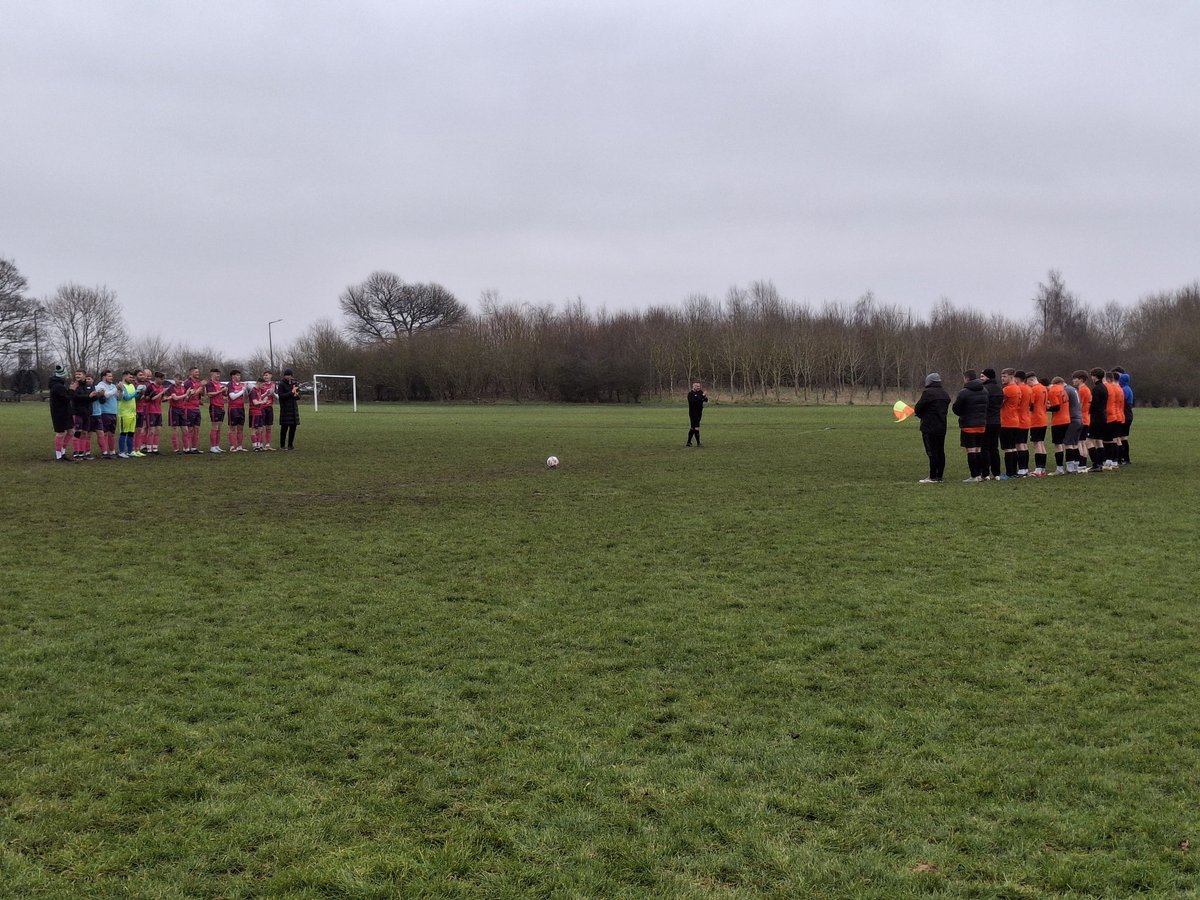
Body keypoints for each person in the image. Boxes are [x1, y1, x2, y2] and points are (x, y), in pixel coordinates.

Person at [951, 370, 989, 482]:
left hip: (968, 424)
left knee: (971, 450)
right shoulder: (985, 390)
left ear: (967, 379)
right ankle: (982, 474)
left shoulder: (964, 392)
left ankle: (974, 475)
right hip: (981, 424)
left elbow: (956, 408)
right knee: (978, 449)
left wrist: (962, 414)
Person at [913, 373, 950, 483]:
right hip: (942, 426)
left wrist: (920, 415)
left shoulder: (928, 393)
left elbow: (919, 407)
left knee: (931, 452)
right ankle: (939, 476)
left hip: (929, 427)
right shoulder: (945, 394)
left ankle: (932, 476)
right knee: (940, 451)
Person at [999, 368, 1023, 479]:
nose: (1002, 379)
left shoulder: (1007, 389)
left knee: (1008, 448)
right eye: (1002, 376)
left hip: (1007, 421)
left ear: (1011, 377)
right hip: (1015, 420)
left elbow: (999, 403)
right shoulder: (1018, 388)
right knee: (1013, 447)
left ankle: (1009, 473)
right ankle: (1014, 472)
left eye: (1005, 376)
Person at [980, 368, 1004, 479]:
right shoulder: (1000, 389)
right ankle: (997, 473)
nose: (981, 379)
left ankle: (985, 473)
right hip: (997, 421)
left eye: (982, 376)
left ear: (988, 377)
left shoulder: (984, 389)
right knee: (994, 448)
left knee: (984, 448)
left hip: (986, 421)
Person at [49, 364, 74, 462]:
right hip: (59, 413)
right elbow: (66, 398)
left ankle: (63, 452)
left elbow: (64, 396)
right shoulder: (57, 386)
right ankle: (58, 455)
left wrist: (69, 390)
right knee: (60, 433)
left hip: (66, 411)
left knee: (71, 431)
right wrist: (71, 390)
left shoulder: (59, 385)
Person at [1025, 372, 1049, 476]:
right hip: (1043, 417)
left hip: (1036, 419)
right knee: (1041, 444)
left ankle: (1038, 469)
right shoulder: (1044, 388)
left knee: (1037, 444)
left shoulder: (1034, 389)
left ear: (1030, 380)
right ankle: (1042, 468)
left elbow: (1031, 405)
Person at [94, 369, 120, 459]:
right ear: (104, 377)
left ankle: (112, 451)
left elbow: (119, 397)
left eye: (111, 376)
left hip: (114, 412)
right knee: (104, 433)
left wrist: (121, 390)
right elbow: (106, 395)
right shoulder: (100, 385)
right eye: (109, 376)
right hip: (104, 412)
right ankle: (104, 452)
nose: (111, 378)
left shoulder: (113, 386)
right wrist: (116, 388)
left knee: (112, 433)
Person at [1086, 368, 1109, 472]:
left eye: (1092, 375)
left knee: (1089, 441)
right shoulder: (1104, 387)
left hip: (1096, 417)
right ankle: (1101, 462)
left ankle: (1095, 464)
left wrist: (1089, 409)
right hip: (1103, 416)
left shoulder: (1096, 389)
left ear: (1095, 376)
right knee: (1099, 441)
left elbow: (1094, 404)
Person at [116, 370, 142, 458]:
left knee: (131, 433)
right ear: (124, 376)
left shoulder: (131, 385)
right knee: (123, 433)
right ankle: (122, 452)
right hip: (124, 413)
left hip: (132, 413)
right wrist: (136, 391)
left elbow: (134, 398)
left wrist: (140, 393)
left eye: (132, 377)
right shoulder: (121, 386)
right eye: (130, 377)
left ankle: (130, 451)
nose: (132, 379)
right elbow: (126, 397)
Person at [70, 371, 96, 460]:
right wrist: (89, 396)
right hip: (78, 413)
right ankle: (75, 453)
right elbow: (75, 397)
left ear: (84, 376)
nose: (77, 376)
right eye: (76, 374)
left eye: (79, 374)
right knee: (78, 432)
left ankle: (82, 453)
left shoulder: (89, 386)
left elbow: (92, 399)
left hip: (87, 413)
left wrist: (96, 395)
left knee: (85, 433)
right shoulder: (74, 385)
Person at [204, 368, 228, 453]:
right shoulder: (210, 384)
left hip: (221, 407)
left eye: (219, 374)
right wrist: (220, 391)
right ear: (212, 375)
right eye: (216, 374)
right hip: (214, 406)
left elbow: (224, 395)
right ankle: (212, 446)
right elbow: (210, 394)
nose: (218, 375)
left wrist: (225, 391)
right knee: (215, 427)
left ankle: (217, 445)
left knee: (219, 428)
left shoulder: (220, 384)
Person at [277, 368, 301, 450]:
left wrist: (296, 394)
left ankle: (290, 445)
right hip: (285, 409)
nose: (289, 377)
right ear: (284, 376)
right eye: (287, 375)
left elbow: (298, 397)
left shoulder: (294, 384)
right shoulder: (281, 384)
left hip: (293, 408)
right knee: (284, 428)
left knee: (293, 427)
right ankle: (282, 445)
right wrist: (291, 392)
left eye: (290, 375)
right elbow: (281, 396)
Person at [182, 366, 204, 454]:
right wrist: (200, 387)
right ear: (191, 373)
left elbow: (202, 394)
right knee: (189, 429)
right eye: (196, 372)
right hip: (189, 408)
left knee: (196, 429)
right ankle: (186, 448)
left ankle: (194, 448)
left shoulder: (198, 382)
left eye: (198, 372)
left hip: (196, 408)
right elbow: (191, 395)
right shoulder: (188, 383)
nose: (198, 373)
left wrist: (203, 387)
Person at [1115, 368, 1134, 465]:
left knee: (1121, 437)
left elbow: (1122, 401)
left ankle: (1122, 458)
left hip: (1125, 415)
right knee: (1124, 437)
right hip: (1129, 415)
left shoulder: (1124, 390)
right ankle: (1125, 458)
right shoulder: (1128, 388)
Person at [226, 370, 248, 452]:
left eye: (239, 375)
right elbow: (232, 397)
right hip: (233, 408)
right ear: (233, 376)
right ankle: (232, 446)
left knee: (240, 427)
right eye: (237, 375)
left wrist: (243, 391)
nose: (239, 377)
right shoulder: (230, 384)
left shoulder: (242, 385)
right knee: (232, 427)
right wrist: (242, 391)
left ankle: (239, 446)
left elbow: (245, 396)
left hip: (241, 408)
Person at [685, 381, 707, 447]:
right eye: (697, 386)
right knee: (696, 427)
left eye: (699, 386)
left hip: (699, 412)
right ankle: (698, 443)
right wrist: (701, 397)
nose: (698, 387)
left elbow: (705, 400)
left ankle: (688, 442)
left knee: (692, 428)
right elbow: (694, 402)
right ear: (693, 386)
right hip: (693, 412)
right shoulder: (690, 394)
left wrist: (705, 397)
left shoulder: (700, 392)